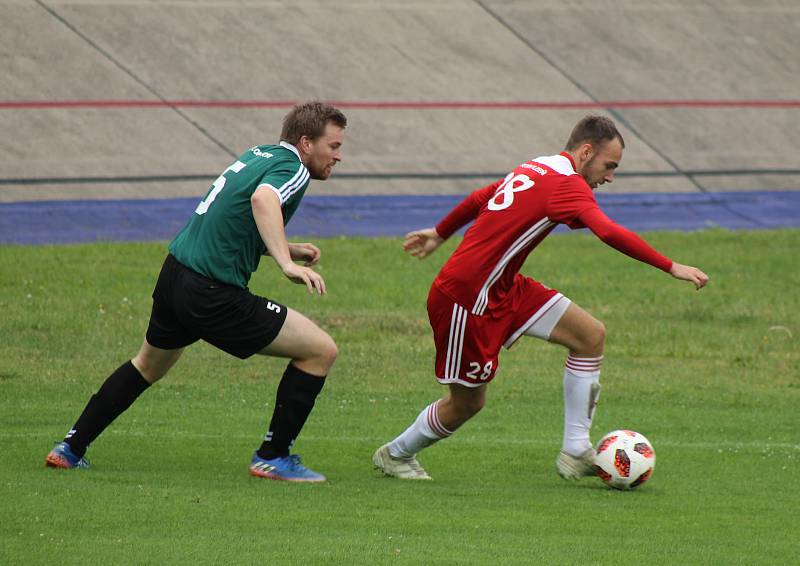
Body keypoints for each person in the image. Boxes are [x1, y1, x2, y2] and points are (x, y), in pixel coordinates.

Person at [372, 115, 709, 481]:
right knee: (467, 403)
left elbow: (482, 197)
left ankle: (576, 449)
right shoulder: (568, 183)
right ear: (585, 152)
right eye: (609, 166)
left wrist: (441, 231)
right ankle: (396, 454)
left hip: (504, 287)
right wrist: (669, 265)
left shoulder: (537, 165)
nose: (609, 177)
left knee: (589, 335)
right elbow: (608, 231)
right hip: (466, 299)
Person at [45, 101, 347, 482]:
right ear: (306, 143)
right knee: (320, 350)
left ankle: (70, 447)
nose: (339, 156)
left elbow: (230, 218)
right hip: (211, 291)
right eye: (333, 146)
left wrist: (287, 248)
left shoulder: (260, 154)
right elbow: (262, 201)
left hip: (175, 276)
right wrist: (287, 264)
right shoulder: (293, 169)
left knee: (147, 365)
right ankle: (274, 456)